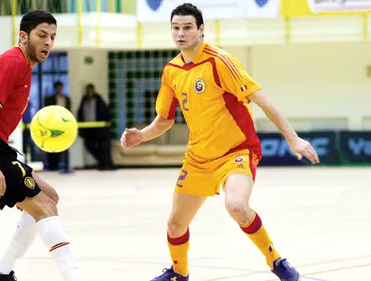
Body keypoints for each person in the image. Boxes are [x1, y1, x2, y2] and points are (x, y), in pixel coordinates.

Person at [120, 3, 320, 281]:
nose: (181, 33)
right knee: (176, 224)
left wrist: (293, 138)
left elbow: (261, 98)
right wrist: (141, 135)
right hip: (199, 159)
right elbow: (164, 120)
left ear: (201, 30)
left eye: (188, 27)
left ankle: (277, 262)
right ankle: (180, 273)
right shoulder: (171, 71)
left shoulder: (219, 61)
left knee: (237, 206)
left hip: (235, 151)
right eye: (176, 28)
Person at [0, 10, 81, 281]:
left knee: (50, 197)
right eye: (41, 35)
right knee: (43, 207)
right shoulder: (14, 62)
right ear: (23, 36)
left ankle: (1, 271)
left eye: (52, 37)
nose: (47, 42)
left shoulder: (23, 66)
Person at [77, 83, 115, 170]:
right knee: (89, 145)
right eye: (88, 91)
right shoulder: (84, 100)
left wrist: (106, 124)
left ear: (93, 91)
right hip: (87, 129)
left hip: (99, 128)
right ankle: (102, 162)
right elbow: (80, 114)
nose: (89, 92)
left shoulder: (99, 100)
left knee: (104, 147)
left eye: (91, 90)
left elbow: (105, 112)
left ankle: (107, 164)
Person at [45, 81, 72, 173]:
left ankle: (64, 165)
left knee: (63, 145)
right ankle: (53, 166)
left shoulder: (67, 99)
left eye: (60, 87)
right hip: (52, 125)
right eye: (57, 88)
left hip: (63, 125)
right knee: (52, 145)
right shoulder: (49, 99)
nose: (59, 89)